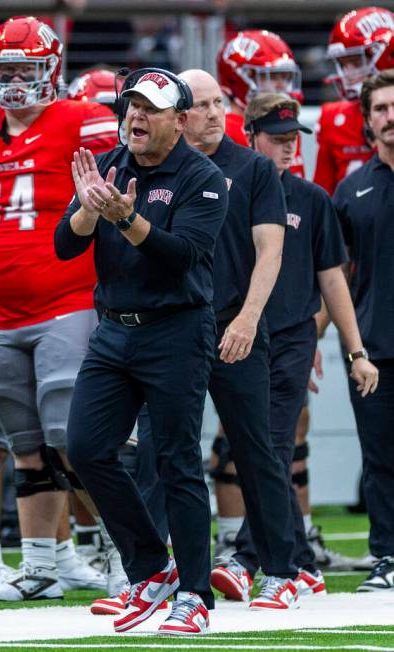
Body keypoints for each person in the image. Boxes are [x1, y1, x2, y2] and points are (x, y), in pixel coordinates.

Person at [0, 16, 118, 604]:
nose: (16, 81)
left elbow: (122, 192)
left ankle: (127, 553)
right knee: (23, 445)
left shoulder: (82, 119)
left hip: (68, 300)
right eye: (5, 71)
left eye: (26, 69)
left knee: (77, 439)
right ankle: (41, 565)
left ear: (52, 70)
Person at [56, 67, 227, 635]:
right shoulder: (109, 164)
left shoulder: (202, 175)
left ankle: (195, 595)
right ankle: (152, 567)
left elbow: (182, 254)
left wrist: (126, 218)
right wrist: (86, 208)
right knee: (84, 446)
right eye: (130, 105)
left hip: (176, 330)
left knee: (176, 461)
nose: (135, 116)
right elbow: (64, 244)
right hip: (114, 329)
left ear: (179, 122)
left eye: (150, 108)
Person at [239, 91, 380, 598]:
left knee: (273, 447)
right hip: (235, 335)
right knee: (248, 449)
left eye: (291, 140)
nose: (287, 149)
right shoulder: (228, 189)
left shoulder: (313, 199)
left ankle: (243, 555)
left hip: (293, 335)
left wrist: (352, 348)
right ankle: (299, 561)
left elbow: (334, 279)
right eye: (276, 140)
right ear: (250, 135)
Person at [177, 69, 303, 611]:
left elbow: (270, 252)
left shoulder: (252, 168)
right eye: (200, 105)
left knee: (256, 451)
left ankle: (280, 569)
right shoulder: (164, 166)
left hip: (235, 322)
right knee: (169, 451)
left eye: (218, 102)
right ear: (177, 115)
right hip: (175, 327)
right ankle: (171, 572)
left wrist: (249, 320)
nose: (212, 113)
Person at [334, 69, 394, 592]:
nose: (390, 117)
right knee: (379, 458)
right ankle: (388, 558)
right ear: (367, 120)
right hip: (375, 350)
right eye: (380, 109)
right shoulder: (351, 190)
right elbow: (332, 277)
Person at [316, 6, 394, 195]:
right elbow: (323, 195)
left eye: (356, 62)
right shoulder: (332, 117)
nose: (348, 74)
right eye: (343, 64)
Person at [217, 29, 305, 177]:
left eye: (285, 76)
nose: (282, 85)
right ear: (236, 79)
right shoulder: (223, 131)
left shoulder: (287, 125)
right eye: (271, 77)